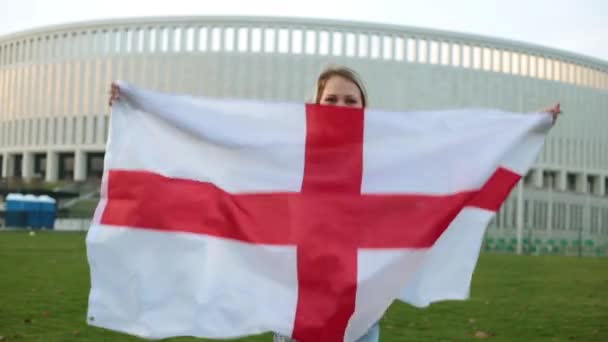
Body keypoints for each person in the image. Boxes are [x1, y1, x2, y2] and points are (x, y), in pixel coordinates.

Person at [109, 65, 561, 342]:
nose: (341, 106)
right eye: (332, 99)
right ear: (316, 104)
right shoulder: (284, 156)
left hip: (358, 318)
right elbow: (221, 153)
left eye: (350, 100)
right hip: (294, 313)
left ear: (365, 108)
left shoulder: (387, 161)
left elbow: (456, 157)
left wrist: (529, 125)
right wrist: (138, 106)